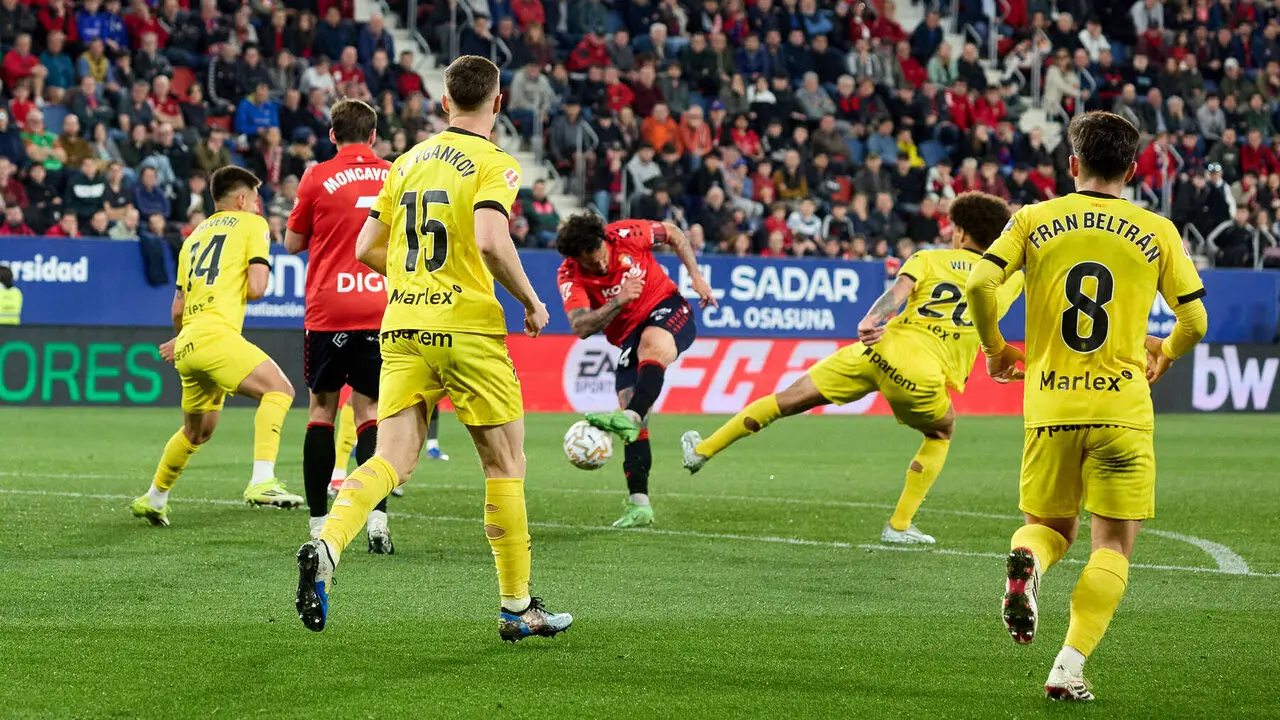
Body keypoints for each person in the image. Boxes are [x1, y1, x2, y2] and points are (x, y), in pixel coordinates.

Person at [295, 55, 572, 642]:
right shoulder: (494, 162)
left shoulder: (405, 162)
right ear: (498, 104)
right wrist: (531, 301)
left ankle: (327, 541)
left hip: (401, 327)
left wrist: (411, 283)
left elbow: (369, 245)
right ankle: (517, 607)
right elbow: (493, 241)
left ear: (444, 102)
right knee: (505, 464)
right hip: (468, 329)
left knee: (390, 460)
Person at [964, 112, 1208, 701]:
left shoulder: (1032, 219)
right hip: (1122, 411)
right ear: (1132, 168)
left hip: (1049, 407)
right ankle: (1068, 666)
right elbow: (1195, 319)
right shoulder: (1157, 228)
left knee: (1049, 528)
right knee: (1113, 546)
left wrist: (995, 349)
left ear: (1072, 165)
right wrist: (1166, 353)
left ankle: (1029, 564)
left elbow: (978, 284)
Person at [681, 193, 1023, 543]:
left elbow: (898, 293)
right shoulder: (1009, 280)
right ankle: (900, 526)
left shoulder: (929, 257)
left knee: (786, 399)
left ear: (963, 234)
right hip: (920, 372)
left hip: (875, 348)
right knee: (941, 431)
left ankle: (703, 450)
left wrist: (870, 319)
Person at [130, 167, 304, 527]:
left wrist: (183, 338)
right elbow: (257, 288)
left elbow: (177, 307)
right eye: (255, 200)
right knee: (280, 391)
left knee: (197, 432)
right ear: (242, 200)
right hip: (216, 335)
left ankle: (154, 497)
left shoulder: (192, 238)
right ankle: (262, 481)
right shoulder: (252, 225)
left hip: (189, 342)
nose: (257, 207)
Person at [555, 214, 717, 528]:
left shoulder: (628, 234)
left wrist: (695, 275)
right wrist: (618, 301)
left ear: (606, 241)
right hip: (629, 335)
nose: (600, 266)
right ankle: (639, 504)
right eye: (591, 264)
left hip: (669, 308)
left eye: (601, 257)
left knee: (651, 345)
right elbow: (581, 326)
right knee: (635, 414)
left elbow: (672, 233)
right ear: (576, 260)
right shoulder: (569, 275)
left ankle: (627, 417)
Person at [284, 98, 395, 552]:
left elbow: (292, 243)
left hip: (330, 311)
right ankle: (377, 523)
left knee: (321, 413)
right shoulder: (396, 172)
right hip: (380, 306)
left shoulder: (316, 176)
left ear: (332, 135)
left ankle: (318, 526)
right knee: (371, 414)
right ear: (373, 136)